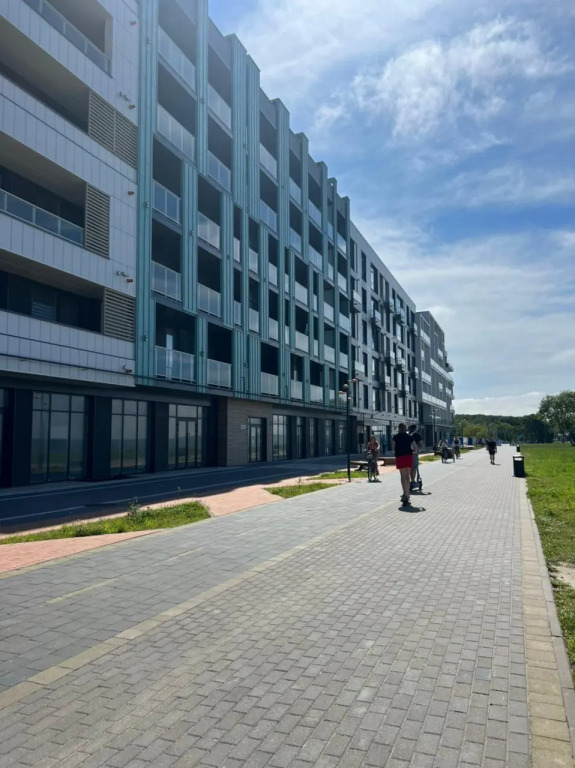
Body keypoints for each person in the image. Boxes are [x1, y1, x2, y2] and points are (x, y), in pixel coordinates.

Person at [392, 423, 418, 505]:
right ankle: (407, 493)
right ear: (406, 428)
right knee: (407, 475)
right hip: (409, 456)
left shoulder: (395, 437)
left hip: (400, 456)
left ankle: (405, 493)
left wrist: (396, 451)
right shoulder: (409, 437)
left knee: (403, 476)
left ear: (399, 428)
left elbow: (392, 447)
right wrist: (414, 452)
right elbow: (415, 447)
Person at [408, 424, 424, 489]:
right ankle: (412, 481)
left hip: (406, 453)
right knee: (414, 467)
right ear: (415, 428)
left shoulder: (407, 434)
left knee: (409, 467)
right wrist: (421, 449)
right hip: (414, 453)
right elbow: (421, 443)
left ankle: (409, 481)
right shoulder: (417, 435)